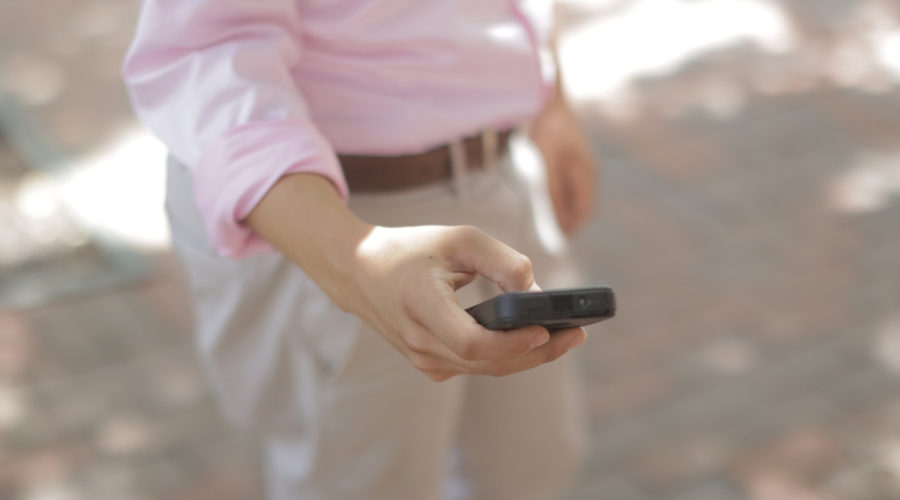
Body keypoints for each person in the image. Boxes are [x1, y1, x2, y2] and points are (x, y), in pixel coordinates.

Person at [124, 1, 599, 498]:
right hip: (324, 208)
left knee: (531, 471)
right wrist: (355, 261)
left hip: (504, 164)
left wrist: (552, 100)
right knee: (365, 481)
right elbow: (208, 53)